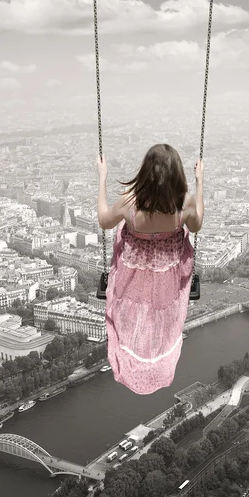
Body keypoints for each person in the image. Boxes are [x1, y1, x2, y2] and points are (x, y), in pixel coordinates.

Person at [96, 144, 204, 394]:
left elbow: (104, 220)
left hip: (132, 280)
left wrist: (102, 178)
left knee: (134, 318)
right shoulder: (183, 204)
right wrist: (200, 183)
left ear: (145, 172)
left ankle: (131, 356)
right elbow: (197, 225)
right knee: (163, 320)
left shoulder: (130, 203)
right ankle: (159, 361)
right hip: (167, 279)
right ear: (177, 174)